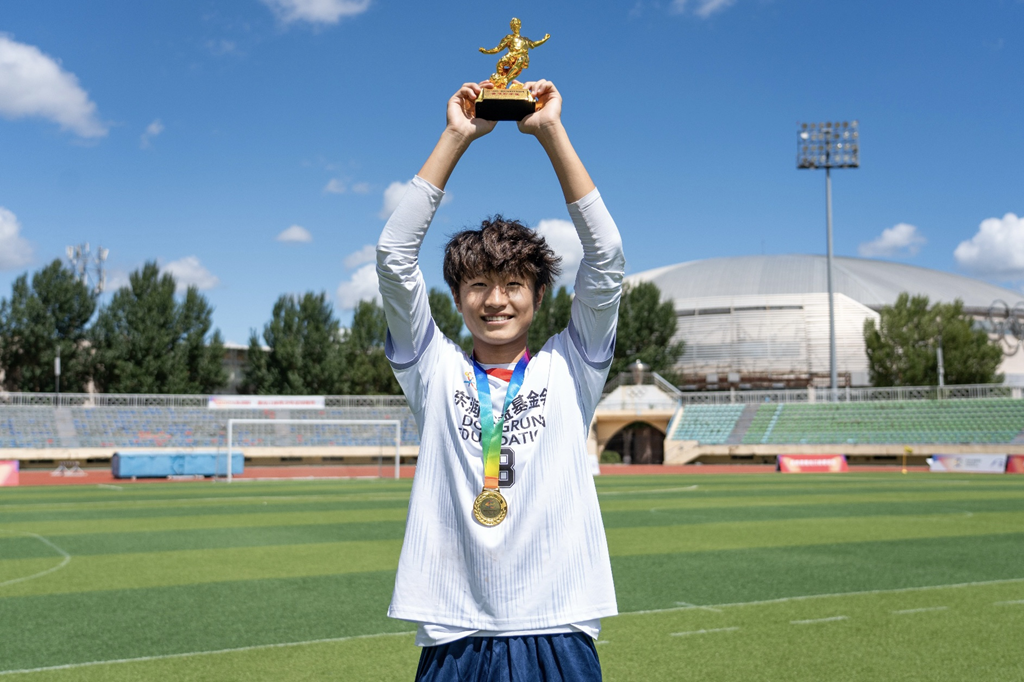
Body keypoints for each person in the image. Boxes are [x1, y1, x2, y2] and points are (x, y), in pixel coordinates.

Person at [377, 79, 624, 681]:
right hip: (455, 629)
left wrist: (551, 132)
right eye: (478, 286)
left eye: (513, 284)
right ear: (456, 297)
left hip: (557, 624)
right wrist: (456, 137)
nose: (496, 300)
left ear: (539, 296)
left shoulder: (571, 367)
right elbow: (393, 257)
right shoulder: (434, 370)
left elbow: (607, 257)